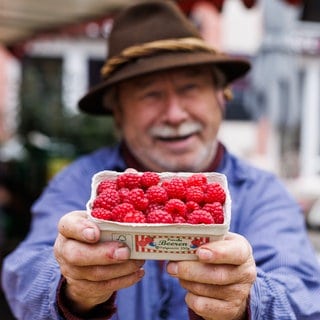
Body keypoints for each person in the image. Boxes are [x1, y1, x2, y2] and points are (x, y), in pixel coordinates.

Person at [2, 1, 320, 319]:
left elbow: (305, 297)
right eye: (149, 94)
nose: (175, 114)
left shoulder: (262, 193)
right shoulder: (80, 183)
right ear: (118, 112)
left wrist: (247, 301)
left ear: (221, 98)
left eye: (190, 88)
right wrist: (71, 287)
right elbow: (23, 276)